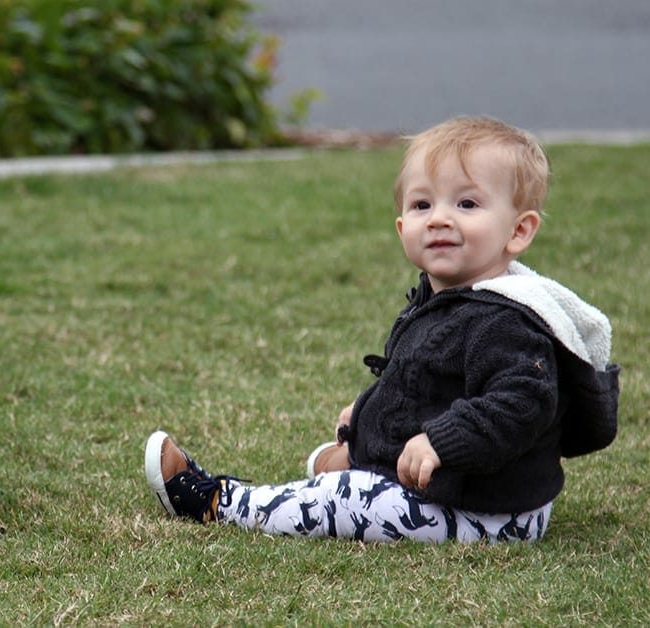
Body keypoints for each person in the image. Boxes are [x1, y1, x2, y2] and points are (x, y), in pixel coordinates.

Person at [144, 116, 620, 543]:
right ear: (401, 227)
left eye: (467, 203)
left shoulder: (503, 322)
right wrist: (369, 410)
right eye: (421, 205)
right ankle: (356, 455)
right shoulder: (444, 297)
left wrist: (441, 441)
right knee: (356, 459)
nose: (439, 218)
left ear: (518, 231)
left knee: (347, 499)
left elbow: (522, 404)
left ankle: (217, 501)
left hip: (491, 511)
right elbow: (419, 383)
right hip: (457, 486)